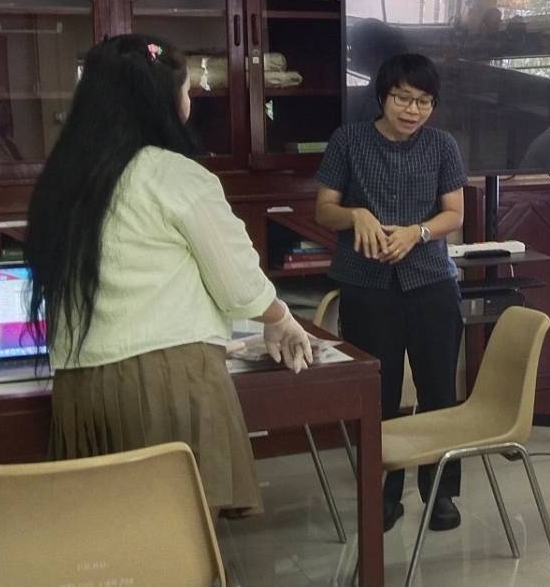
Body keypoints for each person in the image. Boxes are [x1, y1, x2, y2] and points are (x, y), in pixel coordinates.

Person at [25, 35, 313, 516]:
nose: (189, 100)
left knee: (105, 534)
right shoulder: (174, 176)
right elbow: (238, 282)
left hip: (79, 386)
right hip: (165, 382)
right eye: (185, 90)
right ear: (161, 101)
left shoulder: (65, 180)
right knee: (177, 535)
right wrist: (280, 317)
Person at [314, 53, 468, 532]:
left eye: (423, 101)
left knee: (439, 389)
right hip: (367, 285)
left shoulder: (442, 145)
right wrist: (355, 214)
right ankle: (382, 492)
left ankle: (440, 494)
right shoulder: (348, 141)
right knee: (377, 394)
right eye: (402, 98)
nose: (412, 110)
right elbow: (323, 209)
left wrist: (417, 233)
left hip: (430, 282)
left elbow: (454, 214)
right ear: (382, 96)